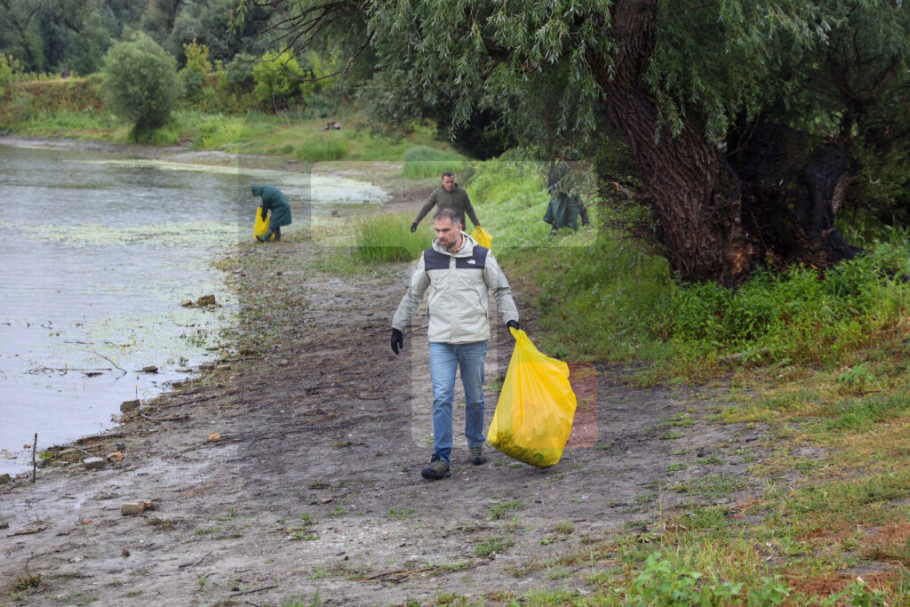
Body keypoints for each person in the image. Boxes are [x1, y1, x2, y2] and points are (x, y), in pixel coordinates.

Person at [391, 208, 520, 480]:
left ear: (459, 228)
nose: (440, 236)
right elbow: (414, 294)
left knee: (475, 397)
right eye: (437, 231)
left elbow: (501, 289)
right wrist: (397, 326)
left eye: (446, 231)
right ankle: (441, 457)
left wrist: (511, 318)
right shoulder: (429, 258)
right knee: (442, 397)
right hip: (441, 341)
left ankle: (475, 444)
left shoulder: (482, 256)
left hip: (474, 339)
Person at [410, 171, 482, 233]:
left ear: (454, 181)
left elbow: (469, 210)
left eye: (451, 182)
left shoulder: (462, 193)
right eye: (447, 182)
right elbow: (427, 207)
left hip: (459, 228)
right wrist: (416, 222)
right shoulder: (437, 193)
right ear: (443, 182)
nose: (450, 184)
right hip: (443, 228)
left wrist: (477, 225)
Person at [543, 159, 589, 235]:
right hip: (561, 196)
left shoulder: (568, 168)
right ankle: (554, 232)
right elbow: (553, 186)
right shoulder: (561, 169)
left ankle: (585, 225)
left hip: (568, 194)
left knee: (580, 208)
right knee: (559, 215)